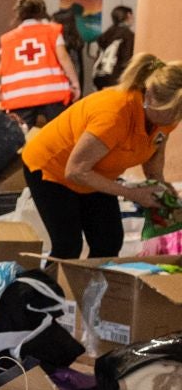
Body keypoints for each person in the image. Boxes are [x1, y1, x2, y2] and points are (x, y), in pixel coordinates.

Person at [19, 53, 182, 259]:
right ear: (149, 96)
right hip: (53, 168)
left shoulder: (167, 115)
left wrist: (160, 185)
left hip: (95, 172)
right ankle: (50, 289)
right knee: (68, 246)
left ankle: (95, 290)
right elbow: (75, 171)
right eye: (173, 112)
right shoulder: (114, 114)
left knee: (109, 241)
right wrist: (132, 193)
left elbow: (155, 149)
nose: (176, 119)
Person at [0, 0, 79, 127]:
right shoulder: (51, 31)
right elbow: (64, 58)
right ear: (42, 12)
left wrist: (2, 88)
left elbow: (3, 66)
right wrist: (75, 84)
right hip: (52, 93)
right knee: (60, 132)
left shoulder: (8, 39)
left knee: (21, 136)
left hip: (20, 95)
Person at [93, 5, 135, 89]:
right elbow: (126, 58)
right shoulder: (128, 35)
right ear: (128, 15)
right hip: (116, 76)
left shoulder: (106, 34)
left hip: (99, 75)